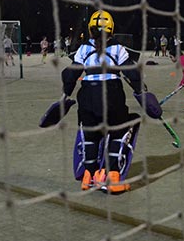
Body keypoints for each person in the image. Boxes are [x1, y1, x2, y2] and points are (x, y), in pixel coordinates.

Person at [61, 10, 162, 193]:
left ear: (90, 30)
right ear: (112, 30)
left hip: (87, 98)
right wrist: (142, 92)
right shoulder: (118, 49)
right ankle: (111, 177)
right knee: (119, 130)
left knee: (90, 135)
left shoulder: (83, 49)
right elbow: (133, 74)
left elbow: (69, 76)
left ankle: (88, 177)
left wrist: (65, 95)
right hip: (112, 96)